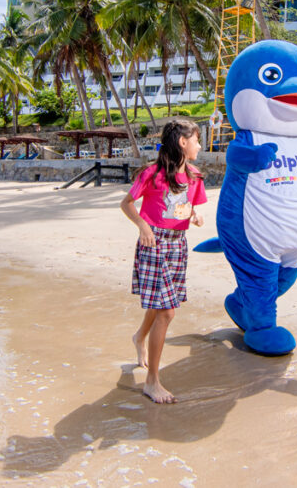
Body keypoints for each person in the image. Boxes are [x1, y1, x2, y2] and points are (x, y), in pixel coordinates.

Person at [120, 118, 206, 403]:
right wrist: (142, 226)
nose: (199, 146)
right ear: (183, 142)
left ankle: (139, 337)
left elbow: (186, 207)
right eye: (196, 140)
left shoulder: (195, 176)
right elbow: (126, 203)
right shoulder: (152, 173)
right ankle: (152, 381)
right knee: (167, 312)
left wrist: (194, 215)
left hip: (178, 245)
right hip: (154, 243)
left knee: (161, 306)